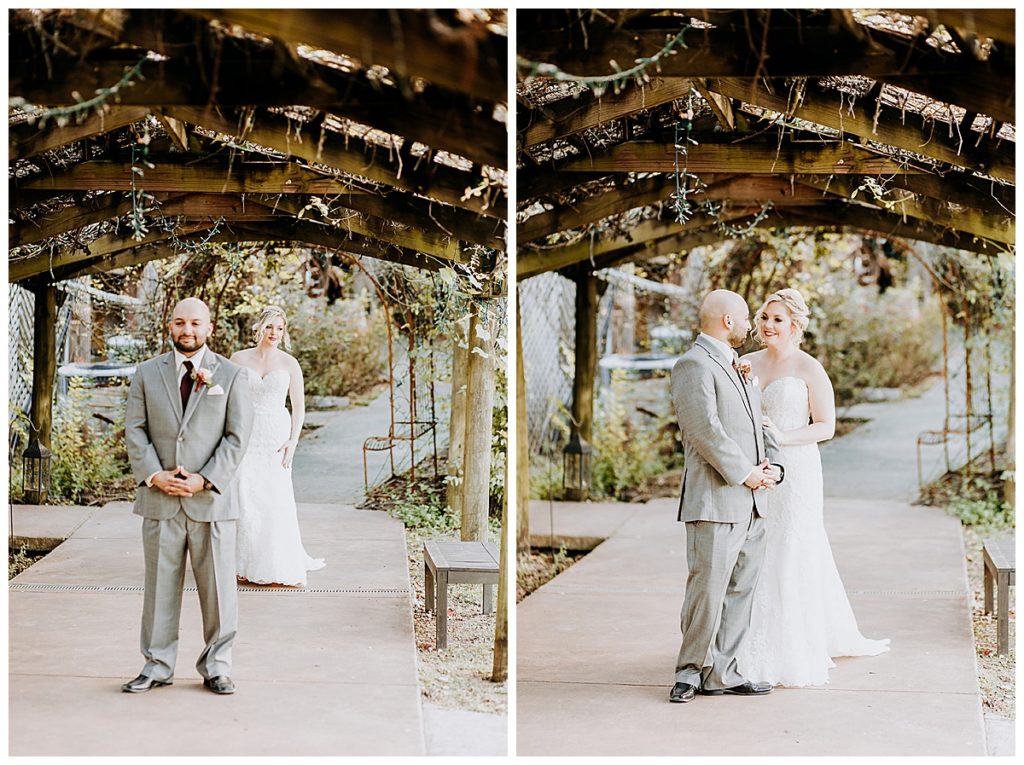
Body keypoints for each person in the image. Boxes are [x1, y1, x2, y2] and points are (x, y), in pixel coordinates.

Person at [736, 288, 889, 686]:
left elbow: (826, 426)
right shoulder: (746, 364)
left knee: (792, 544)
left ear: (795, 325)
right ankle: (744, 638)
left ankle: (794, 641)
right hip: (757, 468)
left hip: (798, 468)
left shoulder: (809, 368)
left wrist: (782, 437)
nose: (768, 325)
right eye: (764, 317)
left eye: (778, 319)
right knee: (757, 546)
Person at [122, 297, 254, 695]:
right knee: (159, 589)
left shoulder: (231, 375)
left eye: (195, 323)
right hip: (160, 498)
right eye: (180, 322)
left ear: (209, 328)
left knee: (219, 592)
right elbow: (135, 429)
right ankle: (157, 665)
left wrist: (204, 479)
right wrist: (154, 475)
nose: (187, 330)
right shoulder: (146, 373)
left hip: (211, 502)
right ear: (171, 327)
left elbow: (237, 437)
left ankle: (218, 667)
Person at [669, 289, 786, 704]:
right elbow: (704, 431)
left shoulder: (740, 366)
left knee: (740, 591)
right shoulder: (693, 364)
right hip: (716, 500)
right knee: (707, 591)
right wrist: (746, 474)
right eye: (747, 317)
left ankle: (723, 672)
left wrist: (774, 466)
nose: (752, 325)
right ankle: (688, 672)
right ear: (728, 321)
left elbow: (758, 426)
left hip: (754, 502)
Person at [230, 306, 325, 586]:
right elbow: (227, 399)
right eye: (270, 326)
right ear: (259, 327)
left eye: (280, 328)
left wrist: (293, 441)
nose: (274, 333)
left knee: (273, 497)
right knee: (245, 496)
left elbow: (299, 407)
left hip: (275, 437)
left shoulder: (289, 363)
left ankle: (273, 562)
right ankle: (243, 563)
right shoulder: (238, 359)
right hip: (247, 434)